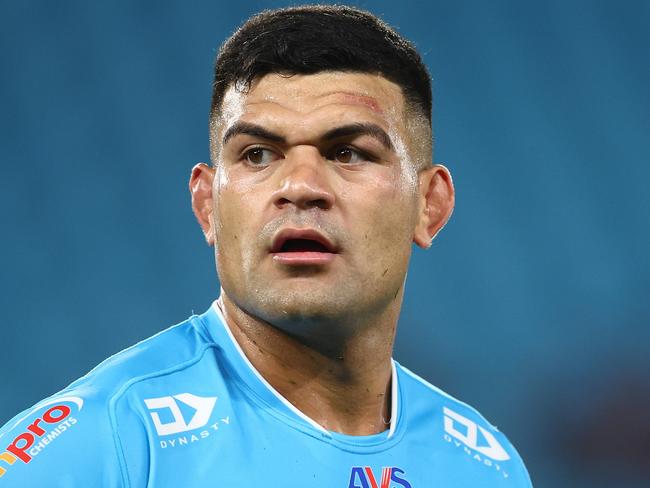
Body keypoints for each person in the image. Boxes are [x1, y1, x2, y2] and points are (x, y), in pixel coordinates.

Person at [0, 5, 532, 487]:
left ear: (429, 204)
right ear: (207, 204)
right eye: (257, 154)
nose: (299, 186)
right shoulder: (100, 445)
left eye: (347, 152)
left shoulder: (485, 466)